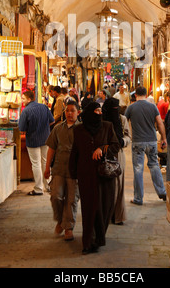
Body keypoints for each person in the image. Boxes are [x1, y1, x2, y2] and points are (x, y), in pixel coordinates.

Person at [69, 102, 120, 254]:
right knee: (89, 209)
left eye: (100, 110)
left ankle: (98, 237)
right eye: (95, 111)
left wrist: (102, 149)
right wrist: (72, 173)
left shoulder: (107, 126)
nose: (98, 113)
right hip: (86, 175)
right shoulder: (79, 130)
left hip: (105, 176)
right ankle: (88, 242)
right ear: (89, 112)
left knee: (104, 207)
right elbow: (75, 152)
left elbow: (116, 146)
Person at [44, 100, 80, 241]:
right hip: (58, 168)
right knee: (56, 196)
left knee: (72, 199)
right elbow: (51, 149)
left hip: (75, 171)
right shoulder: (58, 129)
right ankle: (60, 220)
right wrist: (47, 167)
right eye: (67, 110)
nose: (69, 113)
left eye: (72, 111)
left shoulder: (81, 129)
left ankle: (68, 227)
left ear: (78, 112)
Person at [125, 86, 167, 204]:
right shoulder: (152, 106)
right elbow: (160, 123)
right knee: (154, 165)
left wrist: (127, 136)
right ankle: (162, 191)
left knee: (138, 169)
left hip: (138, 141)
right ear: (146, 94)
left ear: (135, 95)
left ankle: (138, 198)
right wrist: (164, 138)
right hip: (152, 141)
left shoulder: (131, 108)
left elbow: (124, 122)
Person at [19, 90, 55, 195]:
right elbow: (52, 121)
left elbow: (22, 128)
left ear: (29, 99)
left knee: (36, 164)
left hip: (33, 140)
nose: (22, 100)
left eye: (23, 98)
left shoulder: (26, 111)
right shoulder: (44, 107)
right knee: (45, 162)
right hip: (46, 139)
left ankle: (38, 188)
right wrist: (44, 128)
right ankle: (48, 186)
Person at [102, 97, 131, 225]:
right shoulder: (101, 120)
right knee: (106, 186)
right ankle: (106, 215)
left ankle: (118, 215)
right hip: (104, 155)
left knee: (119, 186)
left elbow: (128, 136)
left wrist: (122, 141)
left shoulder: (122, 119)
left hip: (118, 154)